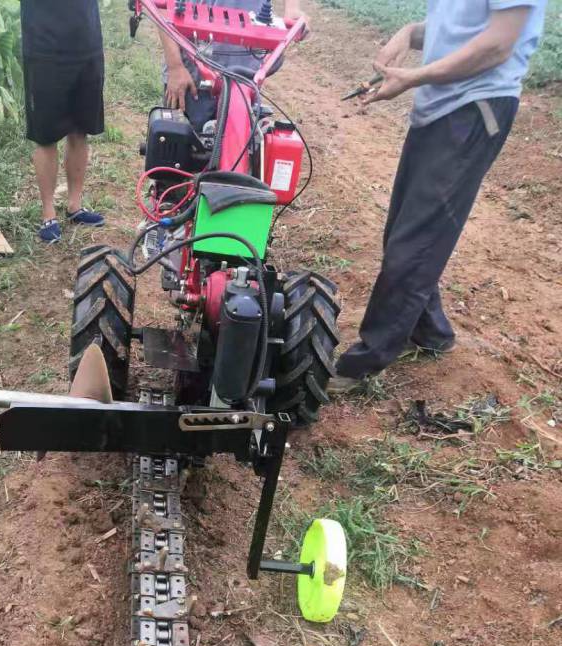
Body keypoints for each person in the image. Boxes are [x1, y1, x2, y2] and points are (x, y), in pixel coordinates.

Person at [331, 0, 548, 391]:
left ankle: (363, 364)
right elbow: (457, 29)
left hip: (474, 108)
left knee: (415, 241)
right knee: (407, 230)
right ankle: (431, 331)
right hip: (439, 106)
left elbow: (496, 46)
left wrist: (414, 77)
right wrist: (409, 33)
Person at [20, 0, 106, 243]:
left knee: (80, 130)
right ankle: (48, 214)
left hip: (87, 43)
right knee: (45, 136)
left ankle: (74, 206)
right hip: (44, 48)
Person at [159, 0, 307, 131]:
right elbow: (162, 6)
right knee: (179, 144)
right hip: (192, 77)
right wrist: (175, 66)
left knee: (244, 146)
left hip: (245, 78)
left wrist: (292, 9)